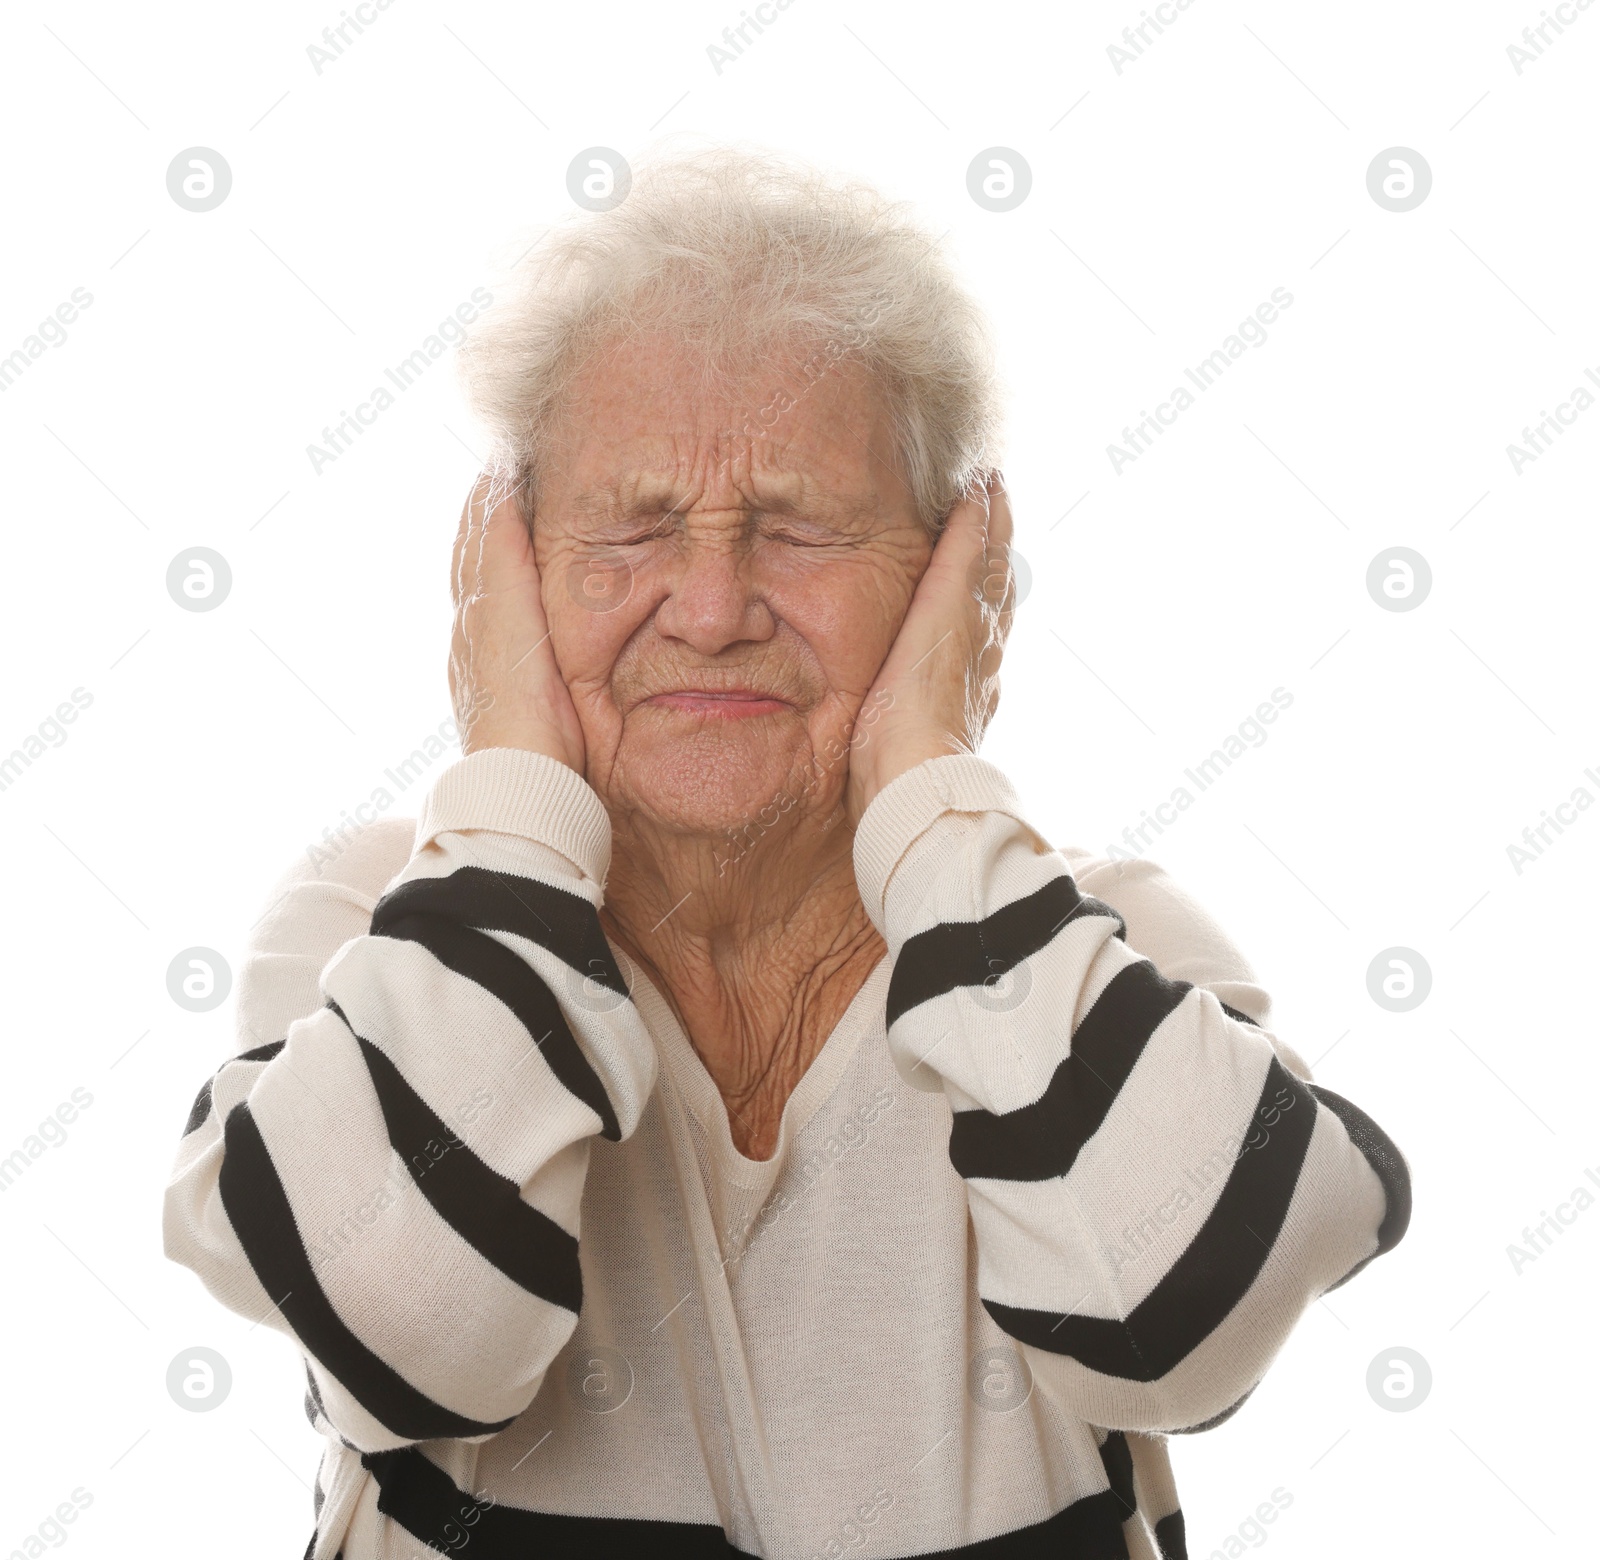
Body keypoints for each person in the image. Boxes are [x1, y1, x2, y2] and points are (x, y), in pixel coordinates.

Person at [163, 147, 1409, 1559]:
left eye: (799, 528)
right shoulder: (379, 918)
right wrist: (509, 778)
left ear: (958, 577)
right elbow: (407, 1337)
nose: (708, 606)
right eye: (627, 527)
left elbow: (1180, 1333)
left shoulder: (1079, 941)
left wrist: (933, 793)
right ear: (501, 570)